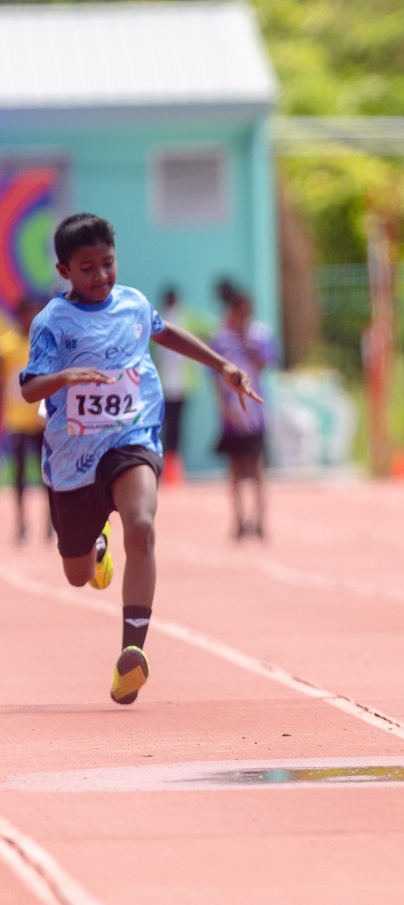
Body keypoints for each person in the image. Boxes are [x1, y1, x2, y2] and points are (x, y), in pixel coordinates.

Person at [20, 213, 258, 705]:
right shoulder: (52, 323)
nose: (100, 276)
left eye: (107, 263)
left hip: (132, 433)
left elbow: (163, 332)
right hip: (71, 456)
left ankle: (132, 649)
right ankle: (96, 548)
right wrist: (66, 378)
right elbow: (29, 389)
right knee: (76, 574)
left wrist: (223, 366)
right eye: (87, 268)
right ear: (65, 271)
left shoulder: (133, 303)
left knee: (144, 525)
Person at [209, 289, 277, 540]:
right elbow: (214, 377)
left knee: (258, 469)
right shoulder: (220, 339)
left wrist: (248, 344)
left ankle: (259, 521)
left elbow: (265, 364)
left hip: (256, 414)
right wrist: (223, 408)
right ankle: (239, 521)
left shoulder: (260, 335)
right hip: (232, 417)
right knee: (235, 471)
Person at [2, 294, 48, 542]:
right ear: (19, 315)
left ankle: (49, 523)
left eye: (36, 312)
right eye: (27, 312)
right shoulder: (7, 347)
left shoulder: (44, 345)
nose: (31, 318)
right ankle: (21, 524)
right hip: (17, 421)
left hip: (42, 420)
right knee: (19, 478)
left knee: (47, 476)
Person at [155, 286, 188, 482]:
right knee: (161, 428)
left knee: (177, 429)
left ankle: (173, 472)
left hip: (181, 386)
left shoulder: (185, 318)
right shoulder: (156, 319)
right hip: (161, 387)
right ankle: (161, 468)